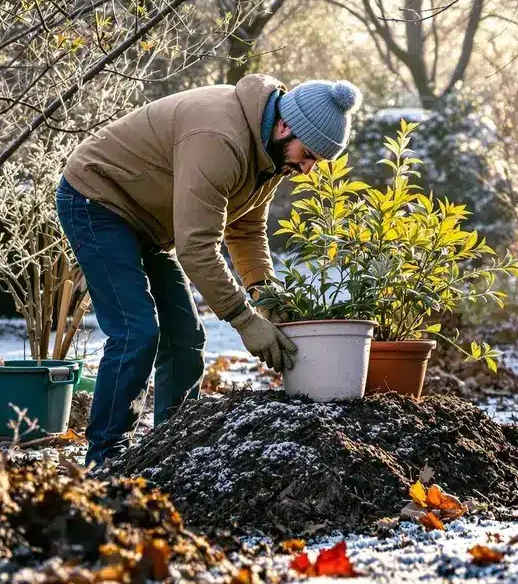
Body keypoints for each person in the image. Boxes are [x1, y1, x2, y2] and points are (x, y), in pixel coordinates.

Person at [56, 74, 362, 466]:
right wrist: (244, 319)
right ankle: (107, 455)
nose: (308, 170)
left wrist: (266, 297)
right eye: (310, 156)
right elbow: (197, 248)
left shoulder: (268, 157)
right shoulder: (220, 139)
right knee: (137, 330)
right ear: (287, 127)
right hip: (96, 199)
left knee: (186, 336)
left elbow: (246, 230)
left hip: (151, 222)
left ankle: (170, 448)